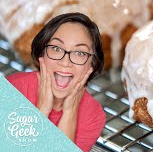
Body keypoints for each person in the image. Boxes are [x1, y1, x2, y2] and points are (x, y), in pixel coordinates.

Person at [6, 12, 106, 152]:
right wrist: (42, 110)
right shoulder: (11, 91)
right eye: (56, 49)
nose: (65, 62)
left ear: (92, 64)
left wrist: (70, 112)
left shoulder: (93, 115)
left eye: (80, 53)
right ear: (42, 53)